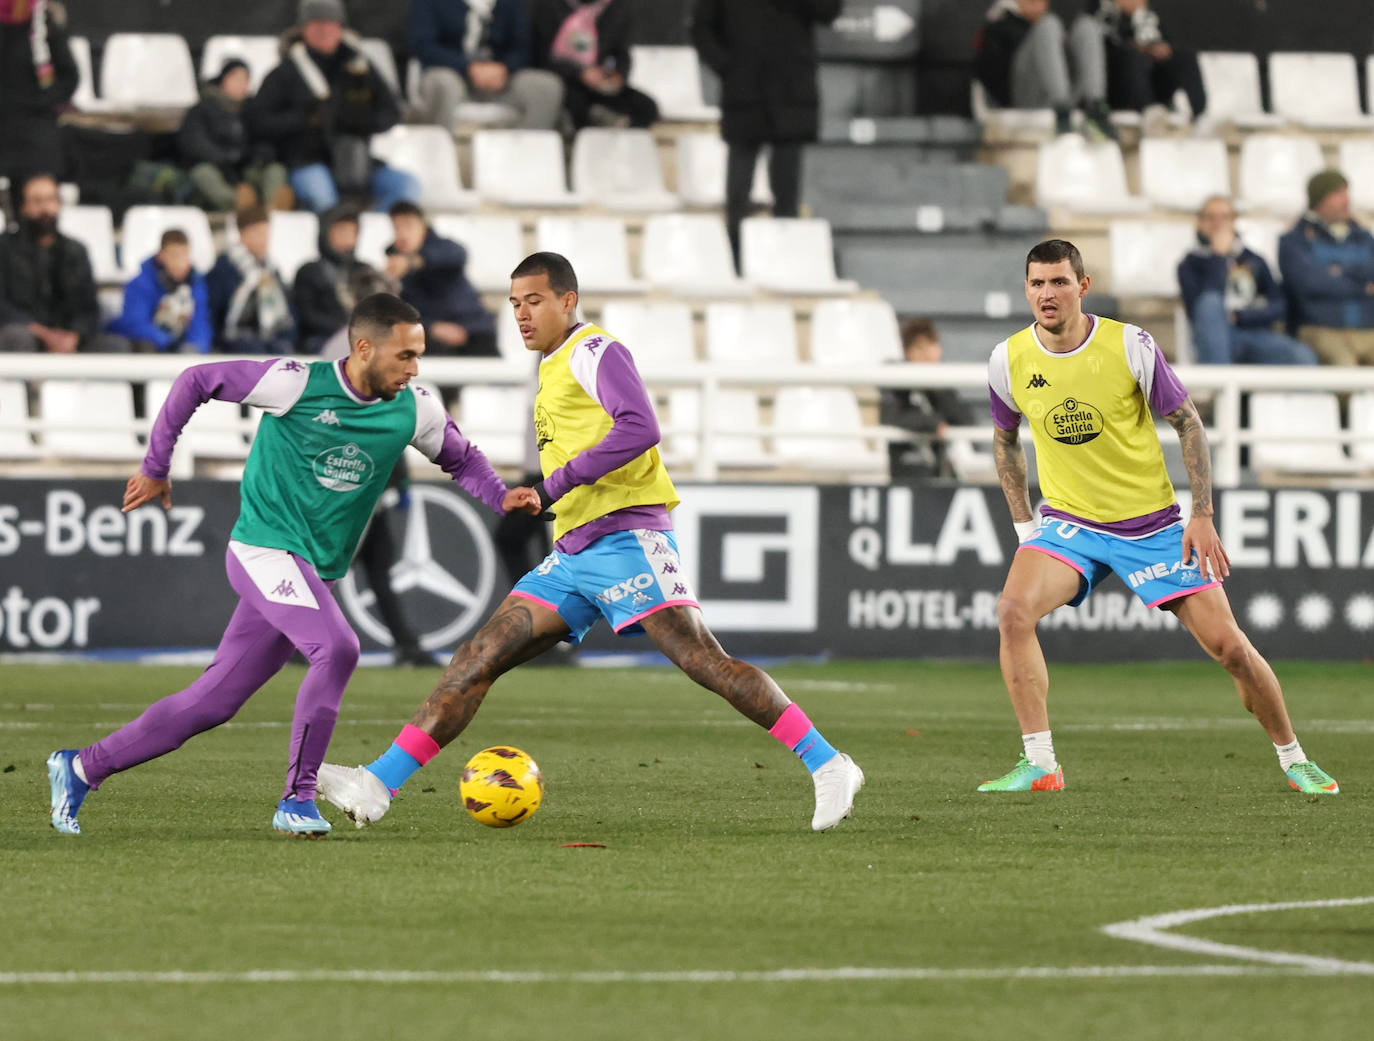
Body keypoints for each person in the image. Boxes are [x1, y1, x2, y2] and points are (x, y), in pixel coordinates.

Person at [317, 252, 865, 833]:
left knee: (705, 662)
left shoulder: (594, 350)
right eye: (514, 305)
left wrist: (557, 482)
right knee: (477, 658)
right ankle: (377, 783)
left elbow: (640, 427)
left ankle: (829, 765)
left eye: (534, 301)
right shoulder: (552, 364)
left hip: (627, 536)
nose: (522, 315)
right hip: (574, 552)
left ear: (567, 301)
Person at [46, 293, 542, 837]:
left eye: (418, 356)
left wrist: (501, 497)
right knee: (338, 648)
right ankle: (297, 799)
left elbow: (459, 456)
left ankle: (80, 767)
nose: (414, 368)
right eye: (404, 356)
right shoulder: (296, 383)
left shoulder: (414, 406)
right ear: (363, 348)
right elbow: (196, 380)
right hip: (263, 549)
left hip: (314, 569)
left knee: (212, 702)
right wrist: (156, 466)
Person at [979, 238, 1338, 796]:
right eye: (1037, 284)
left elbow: (1188, 423)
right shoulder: (1009, 359)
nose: (1047, 294)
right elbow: (1004, 443)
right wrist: (1026, 526)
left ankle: (1294, 758)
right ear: (1026, 288)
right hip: (1071, 525)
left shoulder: (1129, 345)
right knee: (1012, 612)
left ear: (1083, 286)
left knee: (1231, 649)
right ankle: (1041, 762)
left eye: (1059, 282)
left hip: (1151, 526)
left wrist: (1201, 513)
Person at [691, 0, 842, 269]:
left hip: (791, 87)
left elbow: (829, 11)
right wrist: (728, 66)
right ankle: (734, 255)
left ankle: (784, 254)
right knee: (739, 181)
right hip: (744, 86)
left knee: (787, 183)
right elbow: (702, 28)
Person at [246, 0, 420, 214]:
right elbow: (258, 121)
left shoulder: (360, 67)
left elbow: (392, 110)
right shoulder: (285, 73)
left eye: (331, 23)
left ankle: (367, 235)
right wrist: (305, 119)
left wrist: (362, 122)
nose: (325, 30)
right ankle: (336, 239)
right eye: (317, 24)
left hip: (358, 161)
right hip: (307, 161)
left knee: (406, 187)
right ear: (303, 29)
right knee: (323, 198)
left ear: (341, 28)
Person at [1178, 196, 1317, 366]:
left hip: (1254, 334)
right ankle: (1220, 386)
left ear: (1234, 221)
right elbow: (1200, 310)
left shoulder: (1254, 260)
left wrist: (1241, 316)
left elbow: (1278, 305)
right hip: (1215, 338)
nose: (1217, 223)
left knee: (1302, 356)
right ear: (1199, 223)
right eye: (1210, 217)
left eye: (1224, 217)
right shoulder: (1189, 264)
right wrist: (1218, 257)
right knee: (1211, 303)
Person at [0, 173, 129, 353]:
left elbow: (89, 308)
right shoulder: (5, 247)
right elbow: (3, 306)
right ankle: (29, 381)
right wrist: (42, 333)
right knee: (18, 336)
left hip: (69, 337)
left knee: (116, 346)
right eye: (37, 201)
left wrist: (74, 336)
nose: (46, 209)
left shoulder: (75, 251)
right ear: (24, 207)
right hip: (25, 331)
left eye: (51, 199)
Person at [409, 0, 564, 131]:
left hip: (501, 79)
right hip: (452, 73)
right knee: (444, 83)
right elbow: (423, 46)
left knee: (546, 86)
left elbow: (523, 48)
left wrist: (504, 68)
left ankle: (525, 157)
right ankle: (441, 156)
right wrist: (468, 67)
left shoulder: (510, 3)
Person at [975, 0, 1115, 139]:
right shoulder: (1001, 26)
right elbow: (989, 75)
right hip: (1024, 98)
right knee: (1048, 25)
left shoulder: (1059, 26)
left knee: (1086, 25)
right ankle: (1061, 109)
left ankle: (1096, 108)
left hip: (1068, 97)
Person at [1277, 169, 1374, 367]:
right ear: (1320, 198)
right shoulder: (1295, 239)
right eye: (1339, 194)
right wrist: (1362, 287)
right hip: (1319, 330)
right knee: (1344, 364)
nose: (1347, 200)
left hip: (1367, 330)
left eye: (1347, 193)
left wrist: (1339, 271)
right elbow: (1309, 284)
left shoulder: (1362, 236)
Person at [178, 57, 292, 213]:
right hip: (215, 166)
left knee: (275, 170)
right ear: (223, 80)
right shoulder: (203, 109)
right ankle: (237, 207)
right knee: (203, 174)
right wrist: (224, 160)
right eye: (236, 78)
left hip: (245, 169)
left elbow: (264, 139)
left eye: (246, 79)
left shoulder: (253, 109)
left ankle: (271, 211)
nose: (241, 83)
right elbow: (194, 141)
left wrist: (257, 156)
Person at [386, 201, 498, 358]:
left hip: (473, 332)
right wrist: (433, 327)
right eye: (397, 228)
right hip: (430, 338)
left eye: (408, 226)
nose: (403, 234)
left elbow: (456, 255)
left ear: (423, 227)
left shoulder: (443, 247)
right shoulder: (395, 269)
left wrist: (413, 262)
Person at [529, 0, 659, 130]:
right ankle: (585, 133)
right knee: (575, 103)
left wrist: (618, 76)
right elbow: (540, 58)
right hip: (563, 80)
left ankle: (618, 139)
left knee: (646, 107)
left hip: (599, 82)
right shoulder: (549, 5)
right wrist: (580, 73)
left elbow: (622, 54)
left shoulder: (616, 8)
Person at [0, 0, 77, 212]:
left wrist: (43, 103)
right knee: (15, 207)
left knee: (41, 204)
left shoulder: (44, 23)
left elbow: (70, 77)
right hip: (5, 128)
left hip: (37, 130)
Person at [881, 317, 974, 478]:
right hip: (908, 470)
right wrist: (933, 423)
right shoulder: (895, 384)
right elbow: (893, 417)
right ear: (909, 352)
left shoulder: (940, 388)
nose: (930, 354)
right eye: (921, 348)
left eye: (933, 346)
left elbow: (966, 419)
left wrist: (939, 391)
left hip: (940, 473)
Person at [1092, 0, 1206, 127]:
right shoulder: (1102, 11)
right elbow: (1106, 46)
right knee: (1132, 56)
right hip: (1118, 84)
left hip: (1152, 81)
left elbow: (1161, 39)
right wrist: (1142, 47)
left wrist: (1162, 48)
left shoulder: (1148, 17)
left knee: (1183, 56)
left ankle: (1199, 115)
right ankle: (1148, 114)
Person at [294, 205, 388, 354]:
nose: (347, 236)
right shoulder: (310, 271)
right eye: (341, 230)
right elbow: (308, 315)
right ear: (326, 232)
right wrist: (344, 329)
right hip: (322, 340)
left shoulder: (365, 270)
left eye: (352, 231)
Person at [206, 206, 297, 354]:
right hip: (235, 340)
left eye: (267, 233)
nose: (265, 240)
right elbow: (214, 311)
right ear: (243, 235)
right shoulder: (225, 268)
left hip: (270, 337)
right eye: (259, 233)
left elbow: (287, 311)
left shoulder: (271, 269)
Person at [108, 229, 213, 354]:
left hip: (180, 348)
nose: (180, 263)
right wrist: (167, 342)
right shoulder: (139, 284)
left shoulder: (197, 286)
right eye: (174, 256)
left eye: (184, 255)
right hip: (150, 349)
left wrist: (195, 347)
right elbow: (134, 323)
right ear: (161, 256)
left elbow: (201, 324)